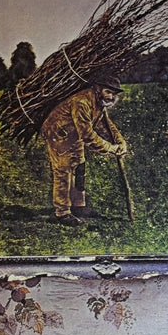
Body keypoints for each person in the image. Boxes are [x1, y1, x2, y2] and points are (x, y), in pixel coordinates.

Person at [40, 74, 128, 226]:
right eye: (108, 92)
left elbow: (105, 125)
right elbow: (87, 136)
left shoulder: (99, 103)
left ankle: (78, 206)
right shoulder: (81, 103)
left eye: (114, 93)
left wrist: (120, 142)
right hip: (59, 133)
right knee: (63, 170)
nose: (111, 96)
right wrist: (111, 148)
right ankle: (62, 213)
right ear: (98, 89)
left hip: (75, 133)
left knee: (79, 167)